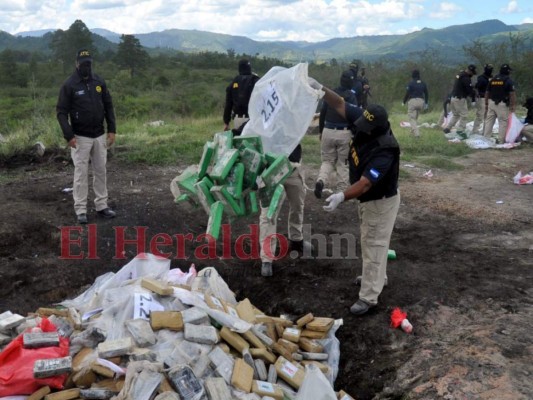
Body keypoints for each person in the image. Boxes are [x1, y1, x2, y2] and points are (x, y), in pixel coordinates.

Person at [308, 78, 400, 316]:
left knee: (374, 244)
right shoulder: (367, 117)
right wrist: (320, 88)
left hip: (379, 201)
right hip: (369, 201)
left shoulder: (385, 149)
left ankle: (369, 297)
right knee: (372, 241)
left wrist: (341, 196)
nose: (360, 128)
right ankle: (377, 278)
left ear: (378, 128)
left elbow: (366, 184)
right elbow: (338, 103)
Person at [57, 49, 116, 224]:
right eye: (83, 64)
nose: (86, 67)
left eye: (89, 64)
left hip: (99, 135)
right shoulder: (69, 85)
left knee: (100, 171)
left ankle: (102, 206)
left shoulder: (99, 82)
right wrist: (69, 136)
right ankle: (81, 210)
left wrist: (112, 129)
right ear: (77, 64)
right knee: (81, 174)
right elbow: (61, 112)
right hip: (79, 137)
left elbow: (108, 105)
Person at [314, 70, 357, 198]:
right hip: (344, 132)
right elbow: (354, 116)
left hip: (328, 130)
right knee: (343, 163)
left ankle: (321, 181)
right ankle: (340, 193)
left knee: (327, 161)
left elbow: (322, 113)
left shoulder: (331, 94)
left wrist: (321, 131)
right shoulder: (352, 96)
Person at [223, 59, 260, 131]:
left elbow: (228, 105)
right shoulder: (255, 80)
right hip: (253, 119)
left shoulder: (234, 82)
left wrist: (226, 122)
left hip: (238, 118)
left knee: (240, 140)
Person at [483, 64, 516, 143]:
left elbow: (487, 92)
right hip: (502, 104)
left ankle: (486, 139)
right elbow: (512, 94)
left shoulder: (493, 79)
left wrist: (486, 104)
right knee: (503, 122)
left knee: (489, 121)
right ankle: (501, 140)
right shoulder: (508, 80)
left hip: (491, 103)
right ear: (507, 71)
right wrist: (513, 105)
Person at [443, 64, 477, 139]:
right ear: (470, 71)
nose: (472, 75)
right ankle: (460, 131)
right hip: (460, 99)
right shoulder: (466, 78)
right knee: (464, 115)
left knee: (456, 115)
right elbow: (469, 89)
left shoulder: (459, 75)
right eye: (472, 73)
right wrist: (473, 98)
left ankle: (447, 128)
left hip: (453, 98)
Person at [402, 69, 429, 137]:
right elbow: (426, 93)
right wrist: (426, 103)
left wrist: (404, 101)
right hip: (421, 102)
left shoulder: (411, 83)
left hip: (413, 101)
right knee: (415, 118)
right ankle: (412, 133)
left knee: (411, 118)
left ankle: (417, 134)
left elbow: (407, 93)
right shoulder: (423, 83)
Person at [472, 63, 493, 134]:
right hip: (482, 98)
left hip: (489, 99)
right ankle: (475, 131)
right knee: (480, 115)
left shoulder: (491, 78)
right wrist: (476, 97)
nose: (489, 70)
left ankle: (485, 131)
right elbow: (476, 88)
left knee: (488, 117)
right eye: (488, 69)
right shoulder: (481, 78)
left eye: (491, 69)